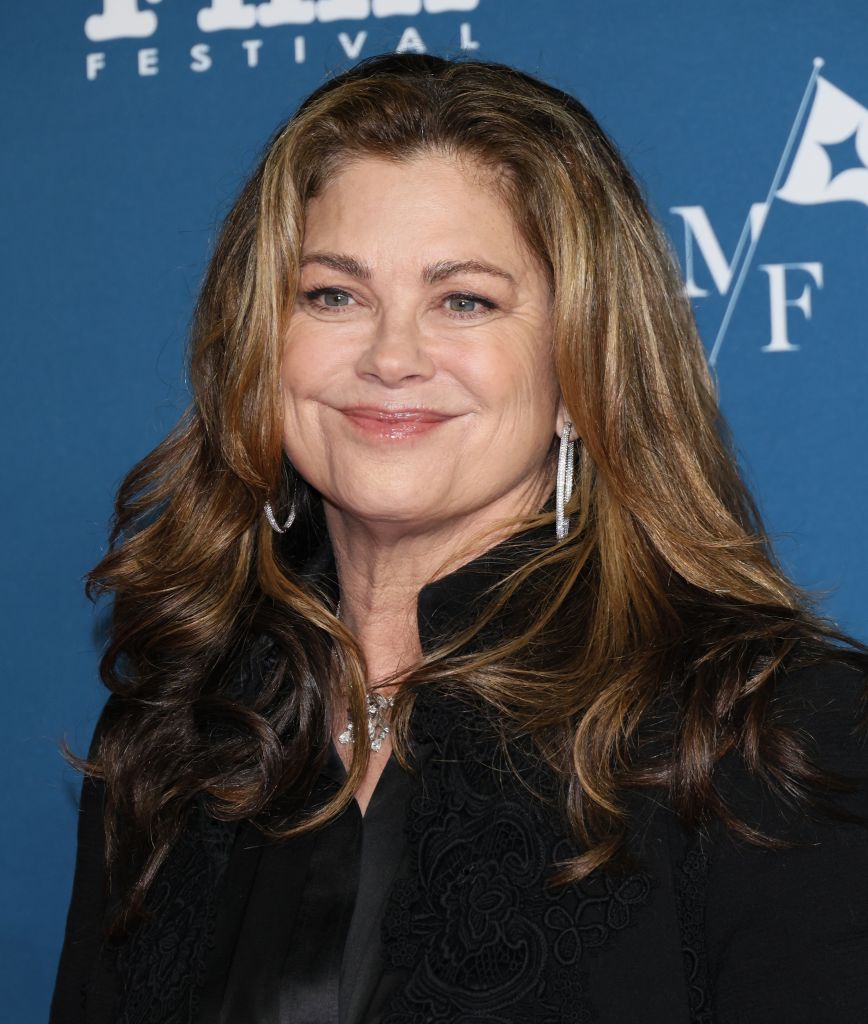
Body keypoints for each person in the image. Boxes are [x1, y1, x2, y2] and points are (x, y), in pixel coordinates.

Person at [51, 53, 868, 1024]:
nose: (391, 356)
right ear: (261, 347)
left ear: (581, 363)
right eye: (333, 295)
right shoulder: (176, 730)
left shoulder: (770, 733)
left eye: (464, 300)